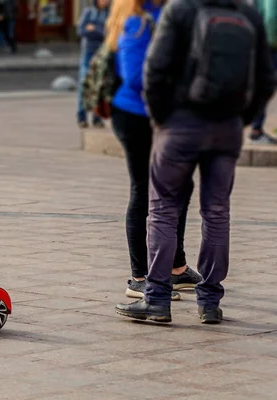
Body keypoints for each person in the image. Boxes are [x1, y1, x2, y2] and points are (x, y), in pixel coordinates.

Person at [116, 0, 275, 324]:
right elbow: (266, 78)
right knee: (217, 213)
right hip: (226, 127)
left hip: (181, 125)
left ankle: (157, 299)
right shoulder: (248, 14)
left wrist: (163, 119)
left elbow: (155, 70)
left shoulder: (180, 9)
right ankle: (210, 302)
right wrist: (240, 118)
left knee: (163, 209)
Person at [107, 0, 203, 301]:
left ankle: (176, 268)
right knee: (144, 188)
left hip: (167, 115)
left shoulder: (168, 14)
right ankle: (140, 276)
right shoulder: (136, 21)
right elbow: (136, 77)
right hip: (137, 116)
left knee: (181, 187)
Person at [77, 0, 109, 128]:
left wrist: (94, 29)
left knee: (99, 85)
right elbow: (81, 31)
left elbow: (108, 34)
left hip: (101, 53)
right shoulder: (88, 12)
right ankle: (81, 116)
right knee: (84, 84)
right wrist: (99, 31)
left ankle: (97, 118)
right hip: (88, 53)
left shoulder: (109, 14)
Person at [248, 0, 277, 144]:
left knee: (261, 85)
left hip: (262, 41)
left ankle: (255, 128)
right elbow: (272, 16)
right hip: (271, 45)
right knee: (265, 86)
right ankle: (256, 129)